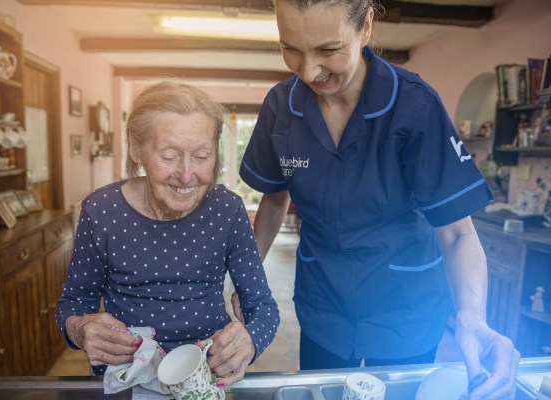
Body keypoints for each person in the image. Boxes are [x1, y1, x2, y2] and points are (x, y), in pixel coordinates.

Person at [237, 0, 520, 398]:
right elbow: (273, 199)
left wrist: (473, 320)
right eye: (291, 49)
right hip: (324, 303)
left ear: (365, 26)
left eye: (328, 50)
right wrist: (245, 280)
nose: (308, 70)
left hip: (406, 305)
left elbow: (456, 232)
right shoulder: (280, 106)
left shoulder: (414, 106)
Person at [56, 81, 280, 387]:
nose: (187, 176)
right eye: (170, 155)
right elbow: (74, 302)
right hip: (128, 376)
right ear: (136, 148)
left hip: (204, 376)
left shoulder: (227, 210)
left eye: (202, 156)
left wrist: (250, 342)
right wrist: (79, 328)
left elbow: (262, 307)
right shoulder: (101, 211)